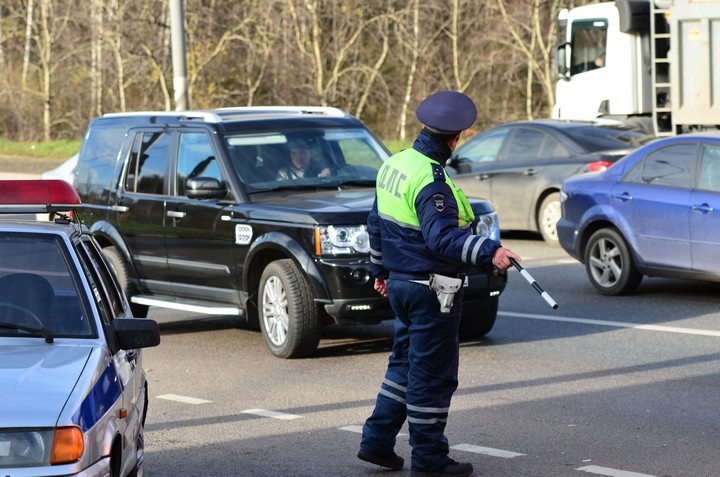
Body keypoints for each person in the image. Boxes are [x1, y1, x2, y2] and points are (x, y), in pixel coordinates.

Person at [357, 90, 521, 477]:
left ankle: (377, 442)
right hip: (433, 289)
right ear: (456, 137)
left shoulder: (395, 164)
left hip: (401, 284)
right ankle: (430, 459)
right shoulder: (433, 181)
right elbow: (442, 238)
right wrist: (491, 252)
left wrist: (381, 272)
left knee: (403, 366)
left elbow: (376, 224)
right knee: (433, 376)